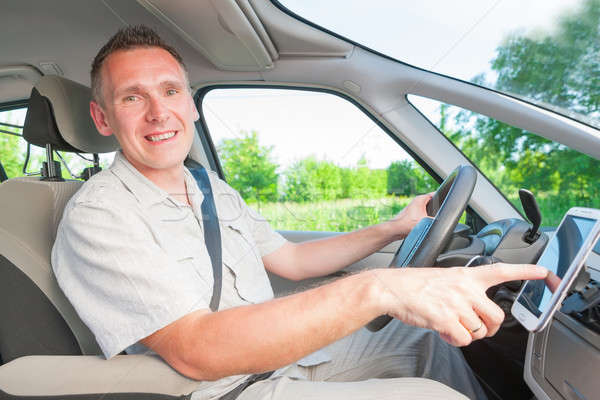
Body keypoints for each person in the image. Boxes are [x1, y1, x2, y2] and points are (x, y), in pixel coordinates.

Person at [52, 25, 549, 400]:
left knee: (422, 338)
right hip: (228, 389)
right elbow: (198, 350)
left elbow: (289, 260)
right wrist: (378, 289)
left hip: (284, 357)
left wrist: (394, 228)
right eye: (132, 97)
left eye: (170, 90)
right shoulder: (98, 215)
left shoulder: (209, 187)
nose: (159, 113)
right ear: (103, 117)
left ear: (191, 104)